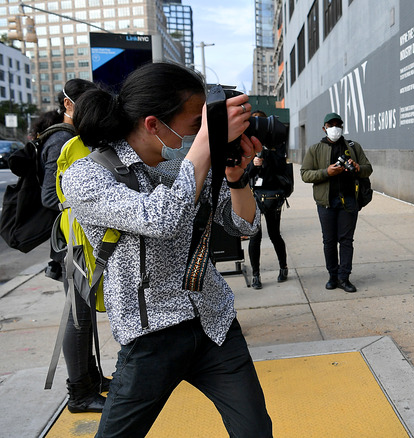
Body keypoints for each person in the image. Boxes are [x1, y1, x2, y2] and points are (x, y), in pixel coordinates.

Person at [62, 62, 273, 437]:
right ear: (153, 124)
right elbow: (160, 220)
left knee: (255, 430)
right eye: (196, 125)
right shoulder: (87, 175)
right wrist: (206, 146)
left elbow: (244, 225)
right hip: (151, 336)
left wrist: (237, 179)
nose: (198, 135)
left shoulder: (185, 165)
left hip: (213, 322)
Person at [40, 79, 111, 414]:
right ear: (69, 105)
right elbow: (50, 196)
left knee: (85, 314)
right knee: (77, 316)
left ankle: (92, 378)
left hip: (84, 241)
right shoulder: (62, 140)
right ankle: (78, 393)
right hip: (72, 246)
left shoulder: (81, 138)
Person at [301, 112, 372, 293]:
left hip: (349, 200)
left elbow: (368, 168)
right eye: (331, 125)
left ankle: (344, 277)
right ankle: (332, 276)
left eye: (337, 125)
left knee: (346, 240)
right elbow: (305, 174)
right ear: (324, 128)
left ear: (342, 127)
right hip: (326, 202)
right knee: (329, 241)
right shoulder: (315, 149)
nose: (334, 128)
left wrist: (357, 167)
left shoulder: (353, 147)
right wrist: (326, 172)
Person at [245, 110, 289, 289]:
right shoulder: (246, 144)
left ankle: (283, 267)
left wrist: (266, 155)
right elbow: (245, 174)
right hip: (253, 195)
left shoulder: (276, 144)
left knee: (274, 234)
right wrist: (254, 164)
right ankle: (256, 274)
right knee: (255, 236)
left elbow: (281, 167)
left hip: (272, 194)